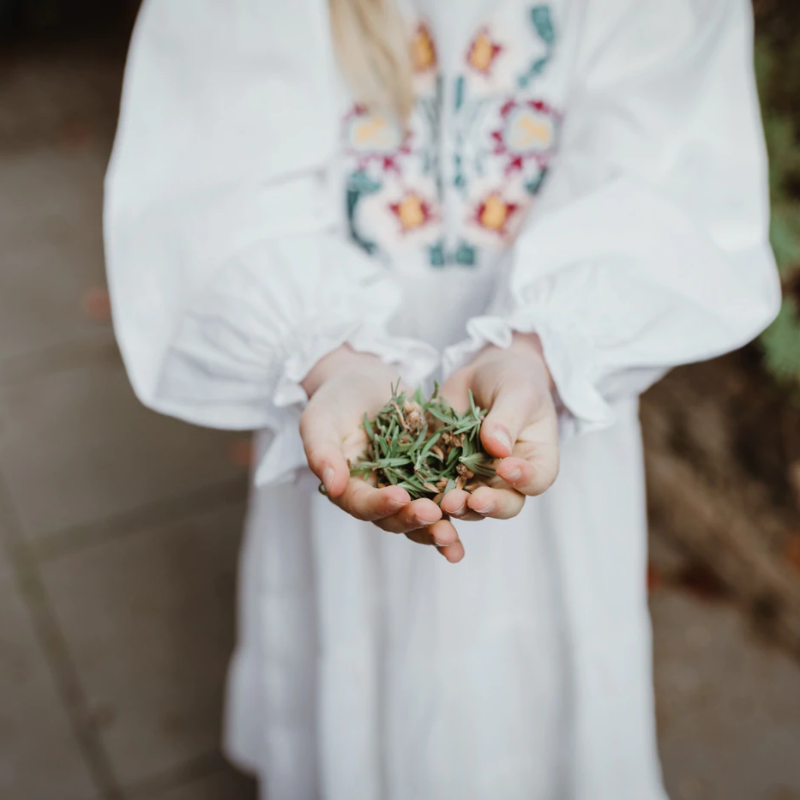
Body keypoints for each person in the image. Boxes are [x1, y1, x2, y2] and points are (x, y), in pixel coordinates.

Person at [104, 0, 780, 797]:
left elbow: (666, 155)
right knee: (365, 658)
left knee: (536, 683)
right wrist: (334, 359)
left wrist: (537, 350)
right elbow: (216, 161)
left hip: (538, 402)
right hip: (340, 384)